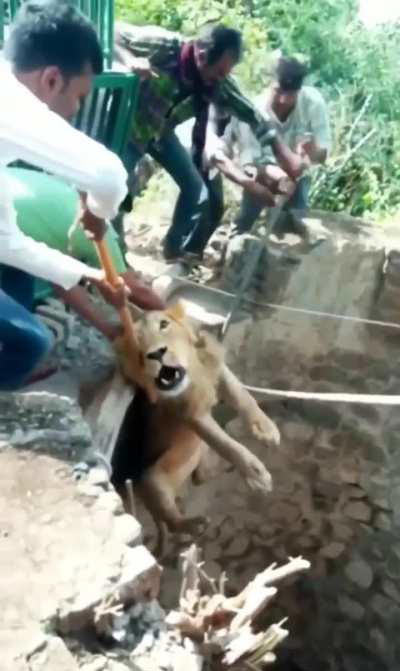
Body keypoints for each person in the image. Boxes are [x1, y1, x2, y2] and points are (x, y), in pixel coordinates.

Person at [0, 0, 163, 391]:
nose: (75, 111)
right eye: (80, 96)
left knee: (27, 325)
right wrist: (98, 212)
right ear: (52, 80)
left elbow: (8, 244)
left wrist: (91, 274)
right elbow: (108, 176)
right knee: (30, 341)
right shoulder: (10, 104)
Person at [114, 23, 306, 266]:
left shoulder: (218, 84)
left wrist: (281, 152)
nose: (221, 79)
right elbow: (112, 33)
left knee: (195, 188)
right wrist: (130, 59)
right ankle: (116, 258)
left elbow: (253, 114)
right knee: (117, 188)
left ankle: (173, 249)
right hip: (129, 128)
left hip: (160, 131)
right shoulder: (165, 45)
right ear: (201, 56)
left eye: (226, 73)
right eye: (219, 72)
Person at [215, 55, 331, 234]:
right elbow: (251, 165)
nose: (284, 100)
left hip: (299, 178)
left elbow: (322, 154)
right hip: (262, 174)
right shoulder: (253, 112)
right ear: (270, 84)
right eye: (279, 91)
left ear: (299, 90)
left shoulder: (313, 103)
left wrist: (312, 150)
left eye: (291, 94)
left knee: (296, 223)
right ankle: (235, 242)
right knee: (246, 222)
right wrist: (278, 176)